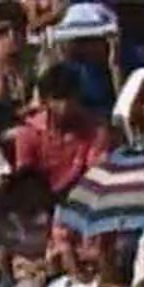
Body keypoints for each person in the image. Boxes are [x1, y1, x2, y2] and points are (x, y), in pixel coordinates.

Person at [12, 63, 112, 196]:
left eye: (70, 96)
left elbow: (96, 172)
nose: (65, 104)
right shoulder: (28, 132)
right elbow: (25, 180)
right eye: (58, 98)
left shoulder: (95, 129)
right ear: (45, 101)